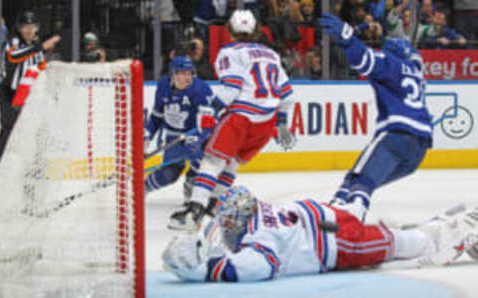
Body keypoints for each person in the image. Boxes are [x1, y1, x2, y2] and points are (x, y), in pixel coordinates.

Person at [162, 185, 478, 281]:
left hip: (335, 243)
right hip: (326, 215)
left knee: (397, 245)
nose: (225, 223)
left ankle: (449, 236)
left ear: (242, 215)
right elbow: (222, 230)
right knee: (384, 237)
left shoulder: (261, 239)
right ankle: (425, 231)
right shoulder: (253, 210)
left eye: (229, 218)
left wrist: (203, 271)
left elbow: (258, 267)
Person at [168, 10, 296, 230]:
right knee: (232, 162)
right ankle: (213, 203)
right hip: (266, 121)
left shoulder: (229, 52)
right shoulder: (271, 54)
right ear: (256, 30)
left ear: (229, 31)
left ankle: (195, 211)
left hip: (242, 116)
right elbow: (288, 96)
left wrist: (209, 111)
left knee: (212, 161)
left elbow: (232, 89)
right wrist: (282, 123)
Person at [318, 13, 433, 222]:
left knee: (362, 182)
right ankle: (337, 206)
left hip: (396, 135)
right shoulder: (418, 75)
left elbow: (364, 60)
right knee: (360, 177)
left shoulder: (392, 63)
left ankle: (348, 222)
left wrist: (348, 39)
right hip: (419, 149)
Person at [145, 55, 220, 200]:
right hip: (174, 135)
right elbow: (157, 116)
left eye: (190, 73)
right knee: (168, 175)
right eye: (183, 73)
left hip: (199, 134)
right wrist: (147, 135)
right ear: (173, 74)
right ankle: (142, 188)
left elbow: (208, 123)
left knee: (200, 164)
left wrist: (197, 139)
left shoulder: (201, 90)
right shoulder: (163, 85)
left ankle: (192, 186)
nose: (188, 77)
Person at [0, 11, 60, 164]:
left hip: (27, 93)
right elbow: (14, 57)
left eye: (32, 27)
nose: (28, 30)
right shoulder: (12, 42)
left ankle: (34, 164)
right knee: (9, 127)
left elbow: (41, 65)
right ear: (19, 28)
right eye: (25, 27)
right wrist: (41, 47)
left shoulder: (35, 44)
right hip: (8, 91)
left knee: (36, 127)